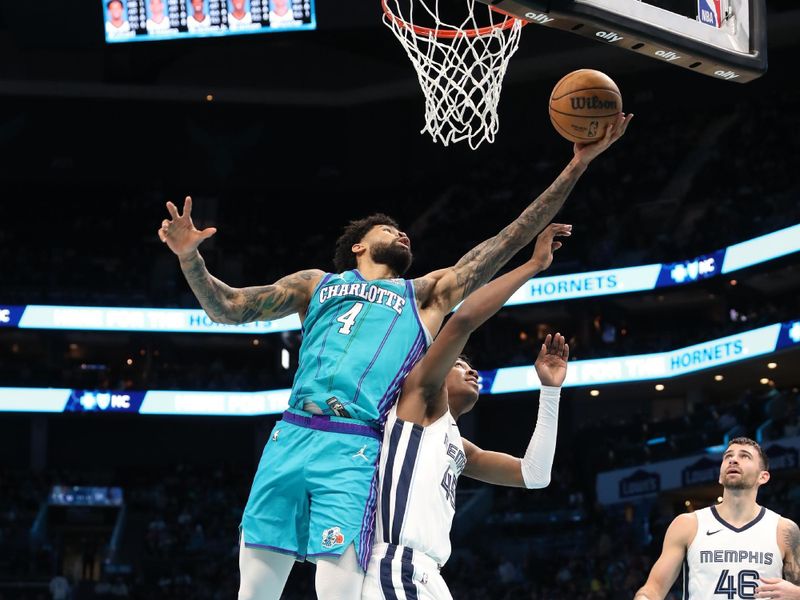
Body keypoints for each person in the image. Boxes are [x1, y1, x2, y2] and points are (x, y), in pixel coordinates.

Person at [157, 114, 631, 600]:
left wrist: (576, 166)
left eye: (405, 232)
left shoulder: (424, 296)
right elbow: (230, 308)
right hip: (290, 434)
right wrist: (190, 257)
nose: (403, 235)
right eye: (390, 230)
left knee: (337, 592)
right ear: (359, 245)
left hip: (356, 445)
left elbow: (503, 242)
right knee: (253, 592)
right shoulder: (316, 284)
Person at [363, 224, 571, 599]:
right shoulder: (418, 398)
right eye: (460, 364)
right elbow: (462, 320)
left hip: (428, 574)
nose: (471, 370)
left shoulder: (458, 446)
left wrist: (550, 391)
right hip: (396, 567)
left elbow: (535, 475)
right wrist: (532, 266)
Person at [634, 437, 800, 600]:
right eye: (728, 456)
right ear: (720, 476)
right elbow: (653, 589)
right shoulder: (688, 524)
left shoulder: (784, 530)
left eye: (744, 456)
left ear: (763, 477)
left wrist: (796, 594)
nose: (733, 460)